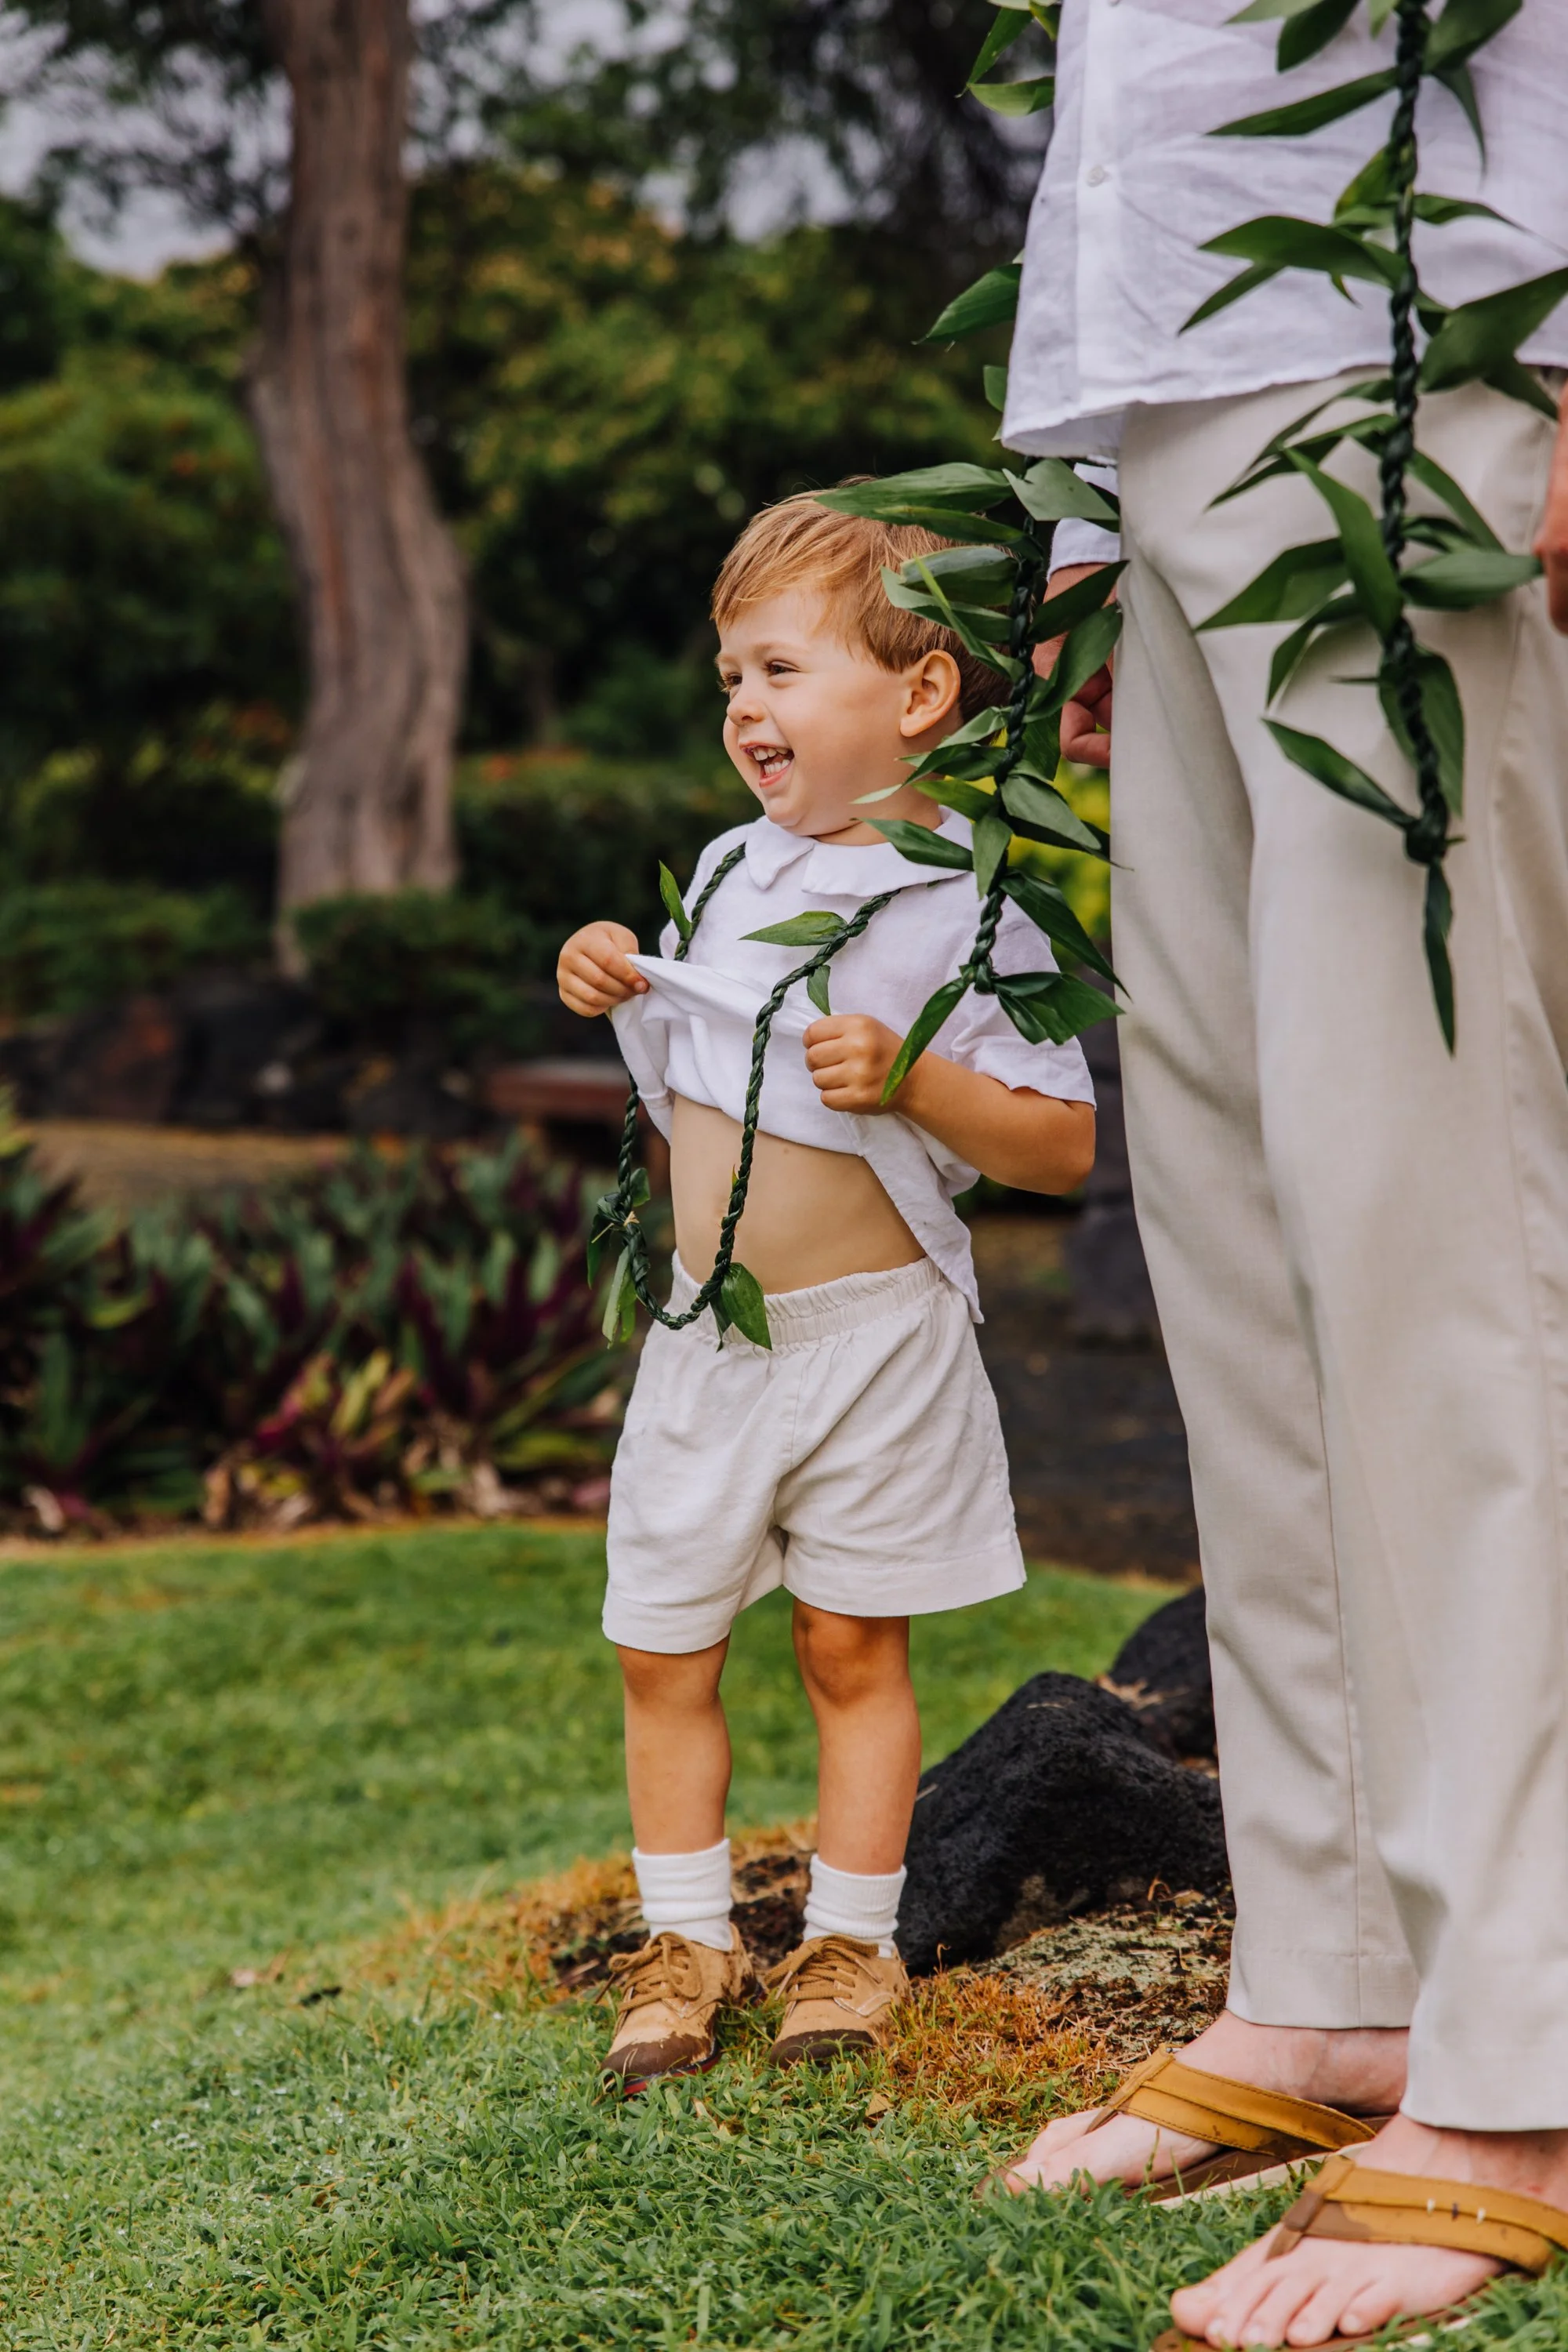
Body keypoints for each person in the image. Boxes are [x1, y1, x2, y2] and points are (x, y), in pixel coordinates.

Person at [989, 4, 1568, 2347]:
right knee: (1233, 1211)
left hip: (1430, 354)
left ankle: (1527, 2042)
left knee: (1426, 1209)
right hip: (1177, 395)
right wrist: (1079, 499)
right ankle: (1334, 1972)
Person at [555, 495, 1097, 2096]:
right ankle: (687, 1935)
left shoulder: (969, 899)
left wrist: (920, 1081)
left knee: (851, 1642)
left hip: (875, 1339)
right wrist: (613, 972)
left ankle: (852, 1943)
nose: (743, 705)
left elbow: (1061, 1148)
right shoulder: (727, 871)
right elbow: (691, 1070)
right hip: (711, 1341)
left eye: (780, 669)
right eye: (731, 674)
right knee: (663, 1645)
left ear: (915, 695)